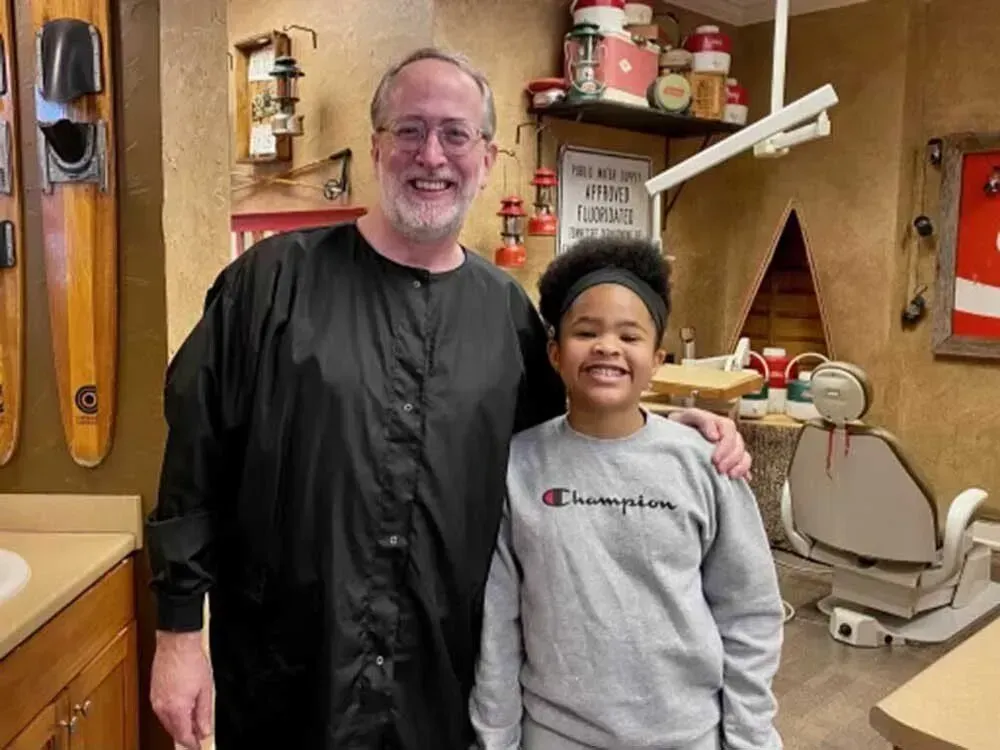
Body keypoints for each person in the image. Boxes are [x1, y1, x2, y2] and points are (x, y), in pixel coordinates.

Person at [145, 47, 754, 750]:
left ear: (487, 158)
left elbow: (571, 443)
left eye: (455, 134)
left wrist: (668, 430)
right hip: (287, 682)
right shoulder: (270, 285)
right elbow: (193, 458)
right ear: (377, 146)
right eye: (409, 130)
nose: (431, 154)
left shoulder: (508, 317)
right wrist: (179, 633)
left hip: (440, 690)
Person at [469, 237, 784, 750]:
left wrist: (749, 739)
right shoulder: (518, 467)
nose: (607, 347)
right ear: (554, 352)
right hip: (554, 734)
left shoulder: (705, 464)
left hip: (686, 735)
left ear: (657, 357)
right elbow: (499, 628)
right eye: (586, 331)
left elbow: (749, 613)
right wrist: (495, 739)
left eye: (629, 335)